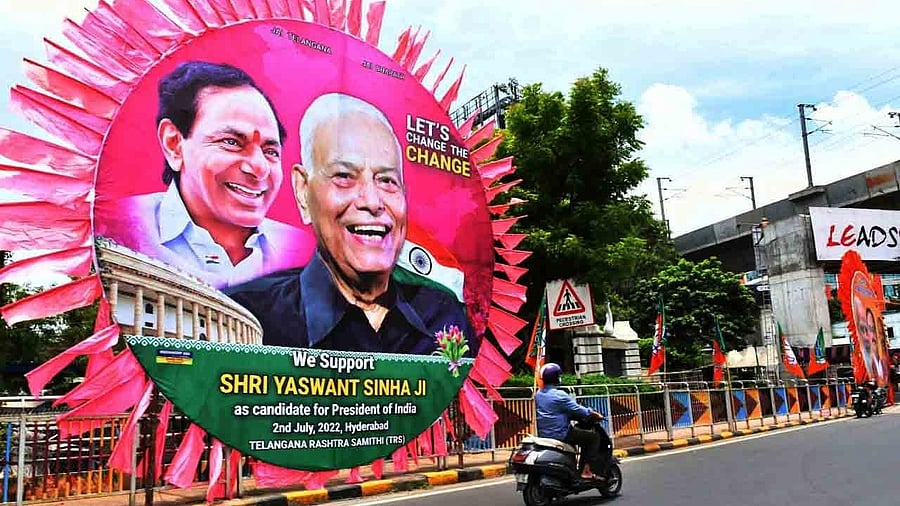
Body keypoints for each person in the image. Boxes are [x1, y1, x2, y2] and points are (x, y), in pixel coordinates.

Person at [225, 93, 475, 356]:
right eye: (344, 176)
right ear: (302, 191)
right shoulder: (243, 320)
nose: (372, 201)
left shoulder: (445, 316)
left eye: (387, 180)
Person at [102, 61, 308, 289]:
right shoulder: (117, 229)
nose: (260, 168)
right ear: (174, 143)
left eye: (270, 151)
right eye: (231, 142)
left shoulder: (303, 250)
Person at [535, 363, 610, 480]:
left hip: (544, 434)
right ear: (556, 377)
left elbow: (555, 411)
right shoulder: (560, 395)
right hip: (561, 433)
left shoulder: (538, 394)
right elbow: (579, 410)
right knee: (593, 438)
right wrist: (594, 413)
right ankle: (586, 471)